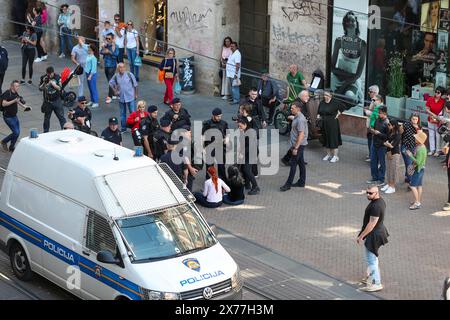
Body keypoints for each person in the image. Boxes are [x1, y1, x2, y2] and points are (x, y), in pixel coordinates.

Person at [356, 185, 389, 292]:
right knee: (373, 258)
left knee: (371, 260)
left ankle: (376, 283)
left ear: (377, 193)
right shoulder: (380, 202)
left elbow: (371, 224)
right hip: (377, 233)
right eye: (367, 192)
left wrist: (361, 236)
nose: (368, 195)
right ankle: (370, 277)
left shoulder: (376, 206)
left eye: (370, 193)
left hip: (374, 235)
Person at [331, 11, 367, 105]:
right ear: (344, 24)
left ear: (356, 23)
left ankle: (357, 95)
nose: (350, 23)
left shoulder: (362, 44)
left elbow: (358, 74)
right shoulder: (339, 41)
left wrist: (344, 85)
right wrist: (345, 75)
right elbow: (332, 67)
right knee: (330, 96)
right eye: (347, 21)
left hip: (352, 80)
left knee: (349, 98)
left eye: (352, 21)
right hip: (338, 77)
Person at [280, 101, 308, 192]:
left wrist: (295, 148)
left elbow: (301, 135)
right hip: (297, 144)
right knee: (301, 163)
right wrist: (292, 118)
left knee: (293, 164)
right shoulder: (298, 117)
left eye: (292, 108)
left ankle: (288, 184)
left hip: (298, 145)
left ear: (298, 109)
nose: (291, 109)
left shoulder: (300, 120)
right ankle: (302, 182)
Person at [109, 63, 138, 132]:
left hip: (130, 96)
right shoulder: (116, 76)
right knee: (122, 114)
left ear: (125, 68)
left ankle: (134, 127)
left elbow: (135, 85)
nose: (121, 69)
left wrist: (136, 94)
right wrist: (115, 91)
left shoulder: (129, 74)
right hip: (121, 97)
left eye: (123, 67)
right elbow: (110, 83)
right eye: (120, 67)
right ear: (118, 69)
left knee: (133, 113)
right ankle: (123, 128)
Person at [203, 108, 229, 181]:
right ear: (213, 116)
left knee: (221, 165)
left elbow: (227, 133)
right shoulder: (207, 124)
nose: (219, 118)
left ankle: (222, 180)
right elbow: (203, 136)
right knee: (209, 165)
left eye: (220, 116)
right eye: (218, 116)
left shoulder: (224, 123)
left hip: (220, 146)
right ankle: (210, 179)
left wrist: (227, 138)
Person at [317, 91, 344, 163]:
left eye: (327, 95)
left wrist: (338, 114)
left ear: (331, 96)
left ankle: (335, 156)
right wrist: (318, 116)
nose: (325, 96)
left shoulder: (335, 102)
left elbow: (343, 107)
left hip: (332, 123)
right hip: (324, 123)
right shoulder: (322, 102)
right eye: (324, 95)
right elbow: (319, 111)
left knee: (333, 139)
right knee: (326, 138)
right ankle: (328, 155)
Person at [1, 81, 26, 152]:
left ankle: (11, 147)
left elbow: (17, 101)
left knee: (17, 133)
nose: (18, 88)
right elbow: (4, 104)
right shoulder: (7, 93)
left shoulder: (15, 93)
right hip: (8, 117)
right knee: (16, 132)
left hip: (14, 116)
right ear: (12, 86)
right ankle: (4, 141)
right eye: (16, 86)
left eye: (18, 86)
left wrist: (25, 107)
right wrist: (13, 100)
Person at [237, 117, 260, 195]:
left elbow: (249, 146)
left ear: (245, 124)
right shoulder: (243, 131)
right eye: (238, 126)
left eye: (240, 126)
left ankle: (255, 186)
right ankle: (247, 184)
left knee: (247, 170)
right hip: (246, 152)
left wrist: (242, 154)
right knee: (244, 168)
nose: (239, 128)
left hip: (252, 153)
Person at [39, 66, 66, 133]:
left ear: (53, 73)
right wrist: (44, 83)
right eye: (48, 74)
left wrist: (53, 85)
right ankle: (45, 132)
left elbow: (60, 88)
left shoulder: (57, 77)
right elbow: (40, 88)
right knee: (46, 119)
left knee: (61, 117)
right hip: (48, 101)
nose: (49, 76)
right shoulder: (44, 77)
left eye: (50, 74)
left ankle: (65, 131)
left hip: (57, 101)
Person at [406, 130, 428, 210]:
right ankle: (417, 200)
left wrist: (410, 155)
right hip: (421, 169)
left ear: (419, 140)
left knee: (412, 186)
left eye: (416, 138)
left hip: (418, 169)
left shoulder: (420, 149)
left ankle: (417, 203)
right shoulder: (422, 146)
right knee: (419, 186)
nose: (415, 138)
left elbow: (418, 162)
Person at [381, 120, 402, 194]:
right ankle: (389, 184)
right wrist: (387, 145)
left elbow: (392, 145)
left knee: (393, 170)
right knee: (389, 169)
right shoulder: (390, 132)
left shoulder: (398, 134)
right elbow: (386, 141)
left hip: (395, 154)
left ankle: (392, 187)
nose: (388, 126)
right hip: (389, 152)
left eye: (389, 124)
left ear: (393, 125)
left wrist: (387, 144)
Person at [401, 113, 422, 185]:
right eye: (413, 119)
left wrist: (417, 128)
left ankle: (408, 177)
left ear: (418, 120)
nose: (414, 121)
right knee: (408, 163)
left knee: (410, 164)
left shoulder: (419, 127)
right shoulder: (406, 124)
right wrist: (401, 127)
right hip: (405, 146)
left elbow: (421, 137)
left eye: (416, 119)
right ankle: (410, 180)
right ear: (410, 118)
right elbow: (400, 132)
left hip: (414, 147)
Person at [426, 87, 445, 156]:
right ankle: (432, 150)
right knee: (431, 134)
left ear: (441, 94)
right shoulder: (430, 99)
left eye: (438, 92)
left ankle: (437, 150)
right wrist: (433, 114)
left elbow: (444, 111)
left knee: (438, 135)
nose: (436, 93)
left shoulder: (443, 101)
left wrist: (439, 118)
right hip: (431, 119)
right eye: (436, 92)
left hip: (438, 120)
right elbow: (427, 109)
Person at [100, 33, 119, 104]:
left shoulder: (116, 46)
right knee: (109, 81)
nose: (107, 40)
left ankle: (109, 96)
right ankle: (115, 92)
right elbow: (101, 52)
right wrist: (103, 48)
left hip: (112, 65)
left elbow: (116, 55)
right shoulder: (106, 45)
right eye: (106, 38)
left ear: (112, 39)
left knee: (110, 81)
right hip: (106, 65)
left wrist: (109, 52)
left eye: (109, 38)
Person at [363, 85, 380, 161]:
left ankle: (372, 156)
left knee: (371, 140)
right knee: (370, 139)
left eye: (370, 92)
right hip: (371, 124)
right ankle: (371, 155)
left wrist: (366, 111)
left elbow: (376, 113)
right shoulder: (373, 100)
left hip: (373, 125)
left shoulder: (376, 101)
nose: (368, 93)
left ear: (375, 92)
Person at [85, 44, 99, 108]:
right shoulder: (88, 55)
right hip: (87, 73)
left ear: (91, 49)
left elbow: (93, 68)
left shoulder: (93, 58)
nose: (88, 49)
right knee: (90, 88)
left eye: (89, 48)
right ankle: (92, 100)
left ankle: (96, 102)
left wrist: (90, 76)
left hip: (91, 74)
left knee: (93, 88)